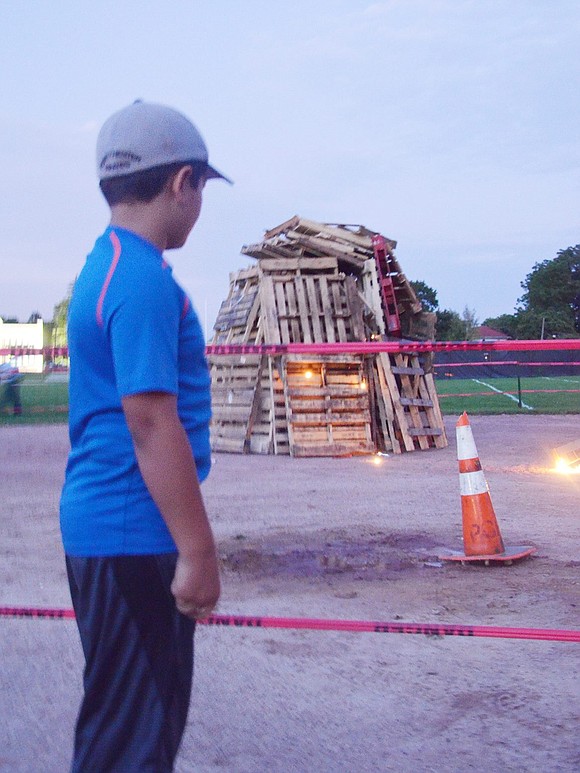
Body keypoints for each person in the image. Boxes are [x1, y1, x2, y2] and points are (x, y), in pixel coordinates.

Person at [60, 101, 230, 772]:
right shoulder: (145, 282)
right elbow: (151, 419)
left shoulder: (105, 265)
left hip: (107, 525)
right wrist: (199, 549)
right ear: (181, 182)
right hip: (136, 530)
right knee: (134, 740)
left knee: (119, 723)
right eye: (201, 191)